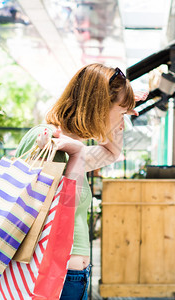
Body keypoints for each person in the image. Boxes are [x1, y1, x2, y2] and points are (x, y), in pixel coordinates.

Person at [15, 63, 145, 299]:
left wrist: (120, 112)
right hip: (49, 278)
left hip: (72, 277)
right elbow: (56, 207)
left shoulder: (73, 146)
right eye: (120, 113)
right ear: (98, 107)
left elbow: (111, 154)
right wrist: (76, 154)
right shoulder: (46, 140)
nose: (122, 123)